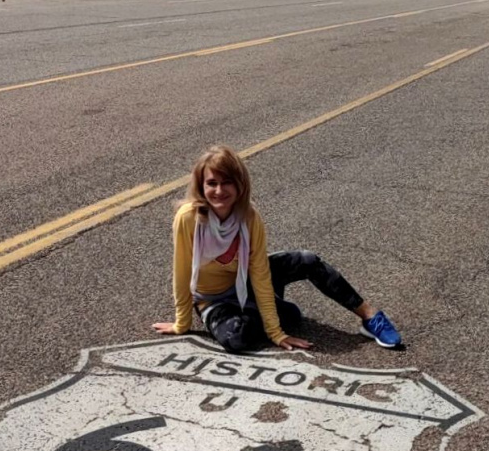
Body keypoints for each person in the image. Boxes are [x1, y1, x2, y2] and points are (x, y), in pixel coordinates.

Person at [151, 145, 403, 352]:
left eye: (227, 182)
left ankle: (371, 317)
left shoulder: (249, 218)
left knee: (306, 260)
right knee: (237, 339)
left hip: (247, 280)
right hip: (212, 299)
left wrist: (275, 333)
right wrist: (182, 322)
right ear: (201, 186)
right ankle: (265, 310)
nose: (218, 191)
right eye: (211, 183)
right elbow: (182, 271)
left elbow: (260, 273)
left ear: (240, 184)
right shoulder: (189, 218)